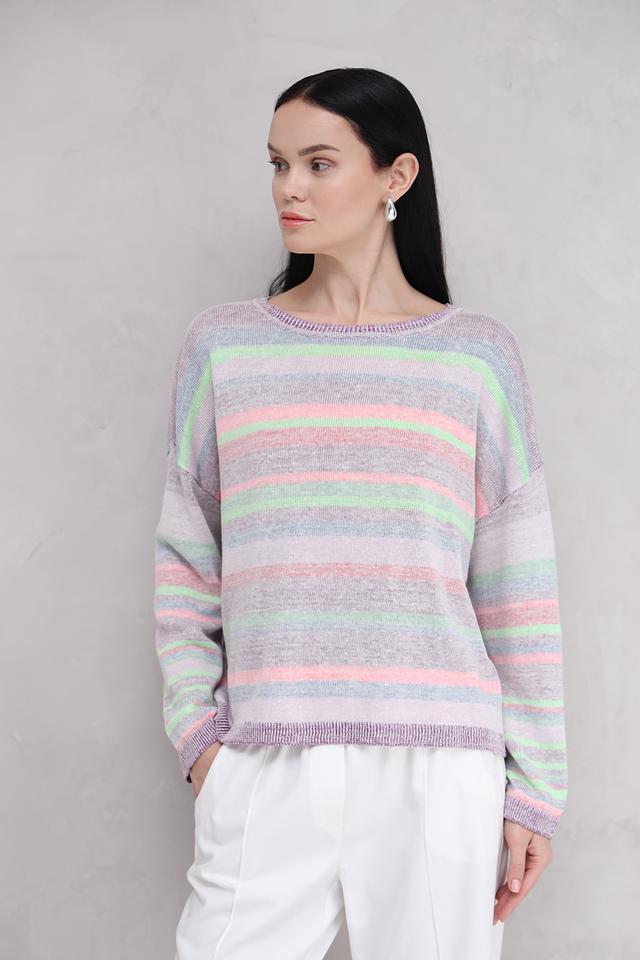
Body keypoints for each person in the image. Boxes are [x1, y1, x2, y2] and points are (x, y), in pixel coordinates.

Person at [153, 67, 568, 960]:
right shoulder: (224, 347)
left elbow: (518, 589)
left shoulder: (475, 358)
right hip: (264, 757)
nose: (288, 189)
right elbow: (186, 559)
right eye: (277, 164)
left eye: (317, 163)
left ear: (395, 176)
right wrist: (202, 741)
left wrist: (534, 791)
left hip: (441, 767)